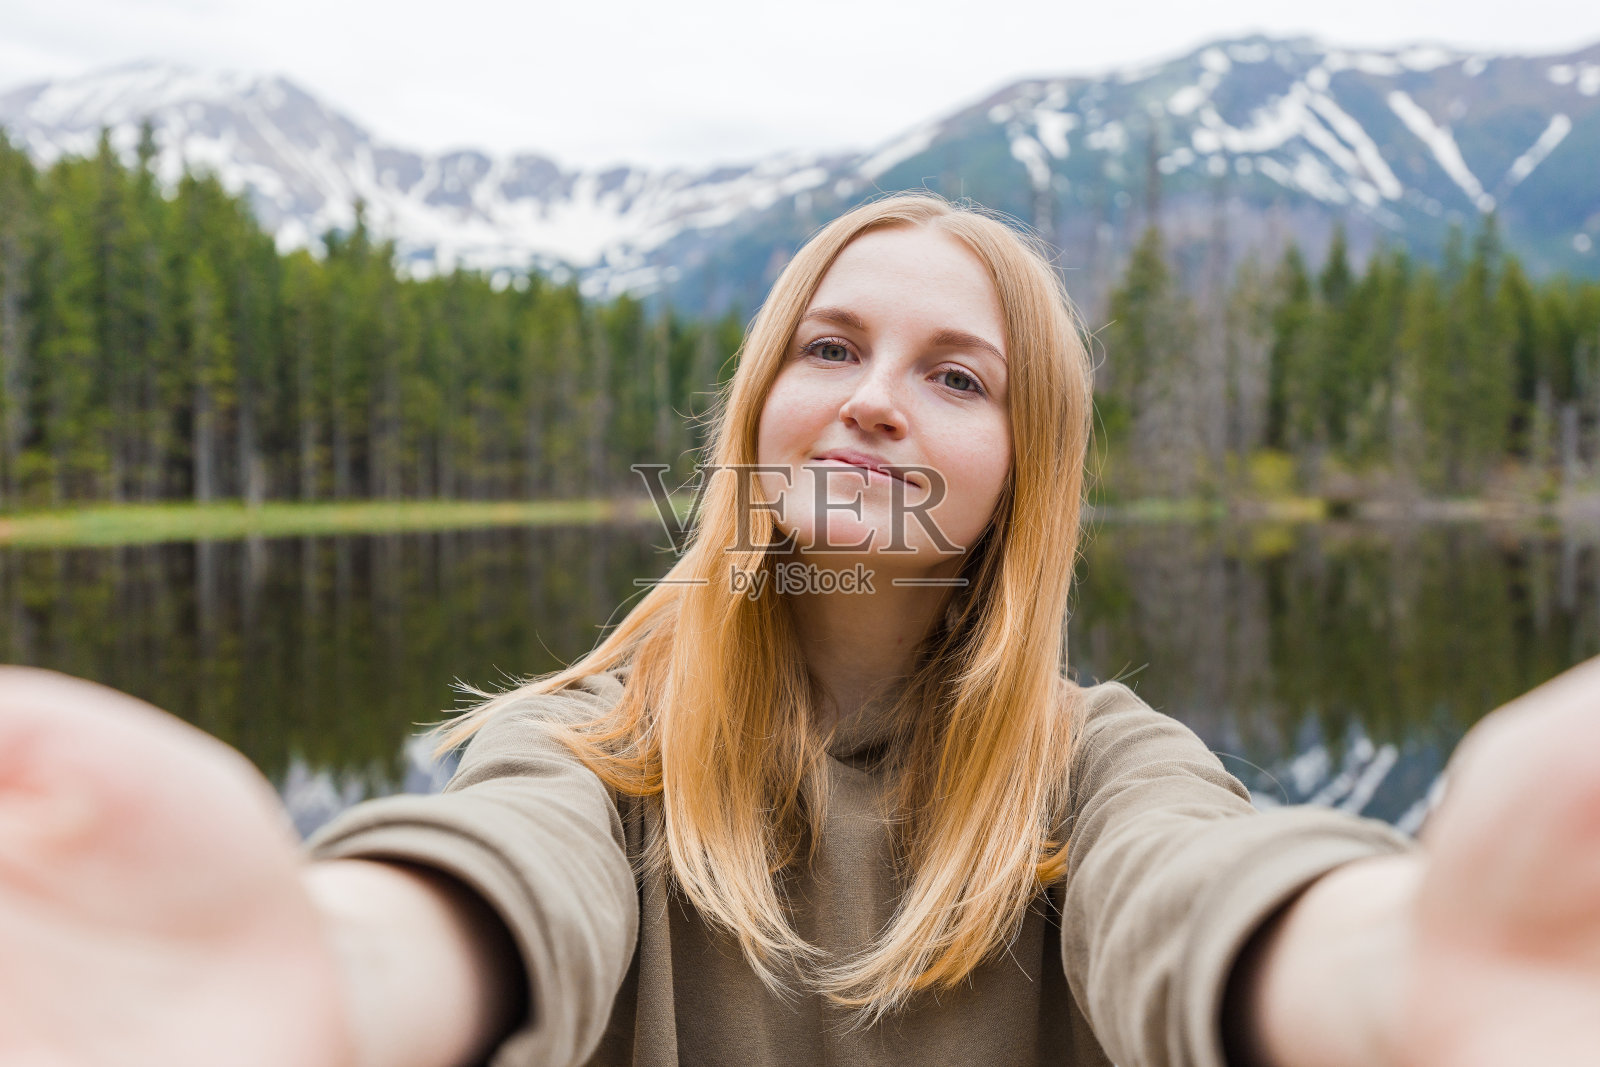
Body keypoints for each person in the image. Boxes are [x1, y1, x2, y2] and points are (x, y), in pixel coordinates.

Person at [1, 192, 1598, 1067]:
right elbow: (495, 889)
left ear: (1021, 473)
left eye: (957, 377)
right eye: (830, 348)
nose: (877, 408)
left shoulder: (1105, 767)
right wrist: (329, 987)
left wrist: (1400, 975)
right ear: (757, 410)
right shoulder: (579, 751)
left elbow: (1209, 895)